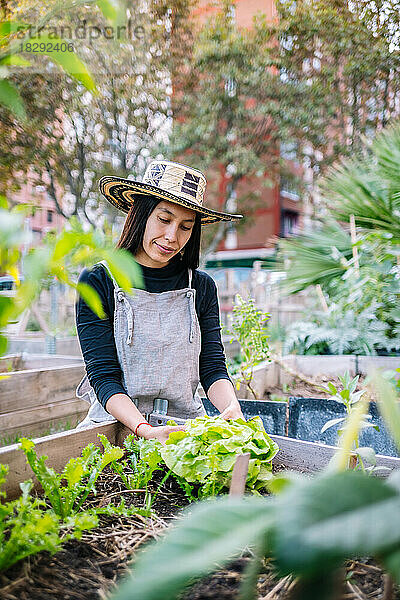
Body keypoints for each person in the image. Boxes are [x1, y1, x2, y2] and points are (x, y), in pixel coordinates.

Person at [75, 160, 244, 444]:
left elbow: (212, 367)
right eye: (164, 220)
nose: (172, 237)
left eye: (185, 227)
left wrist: (231, 407)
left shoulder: (201, 287)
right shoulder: (99, 280)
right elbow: (103, 375)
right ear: (140, 214)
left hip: (185, 434)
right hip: (115, 431)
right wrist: (144, 429)